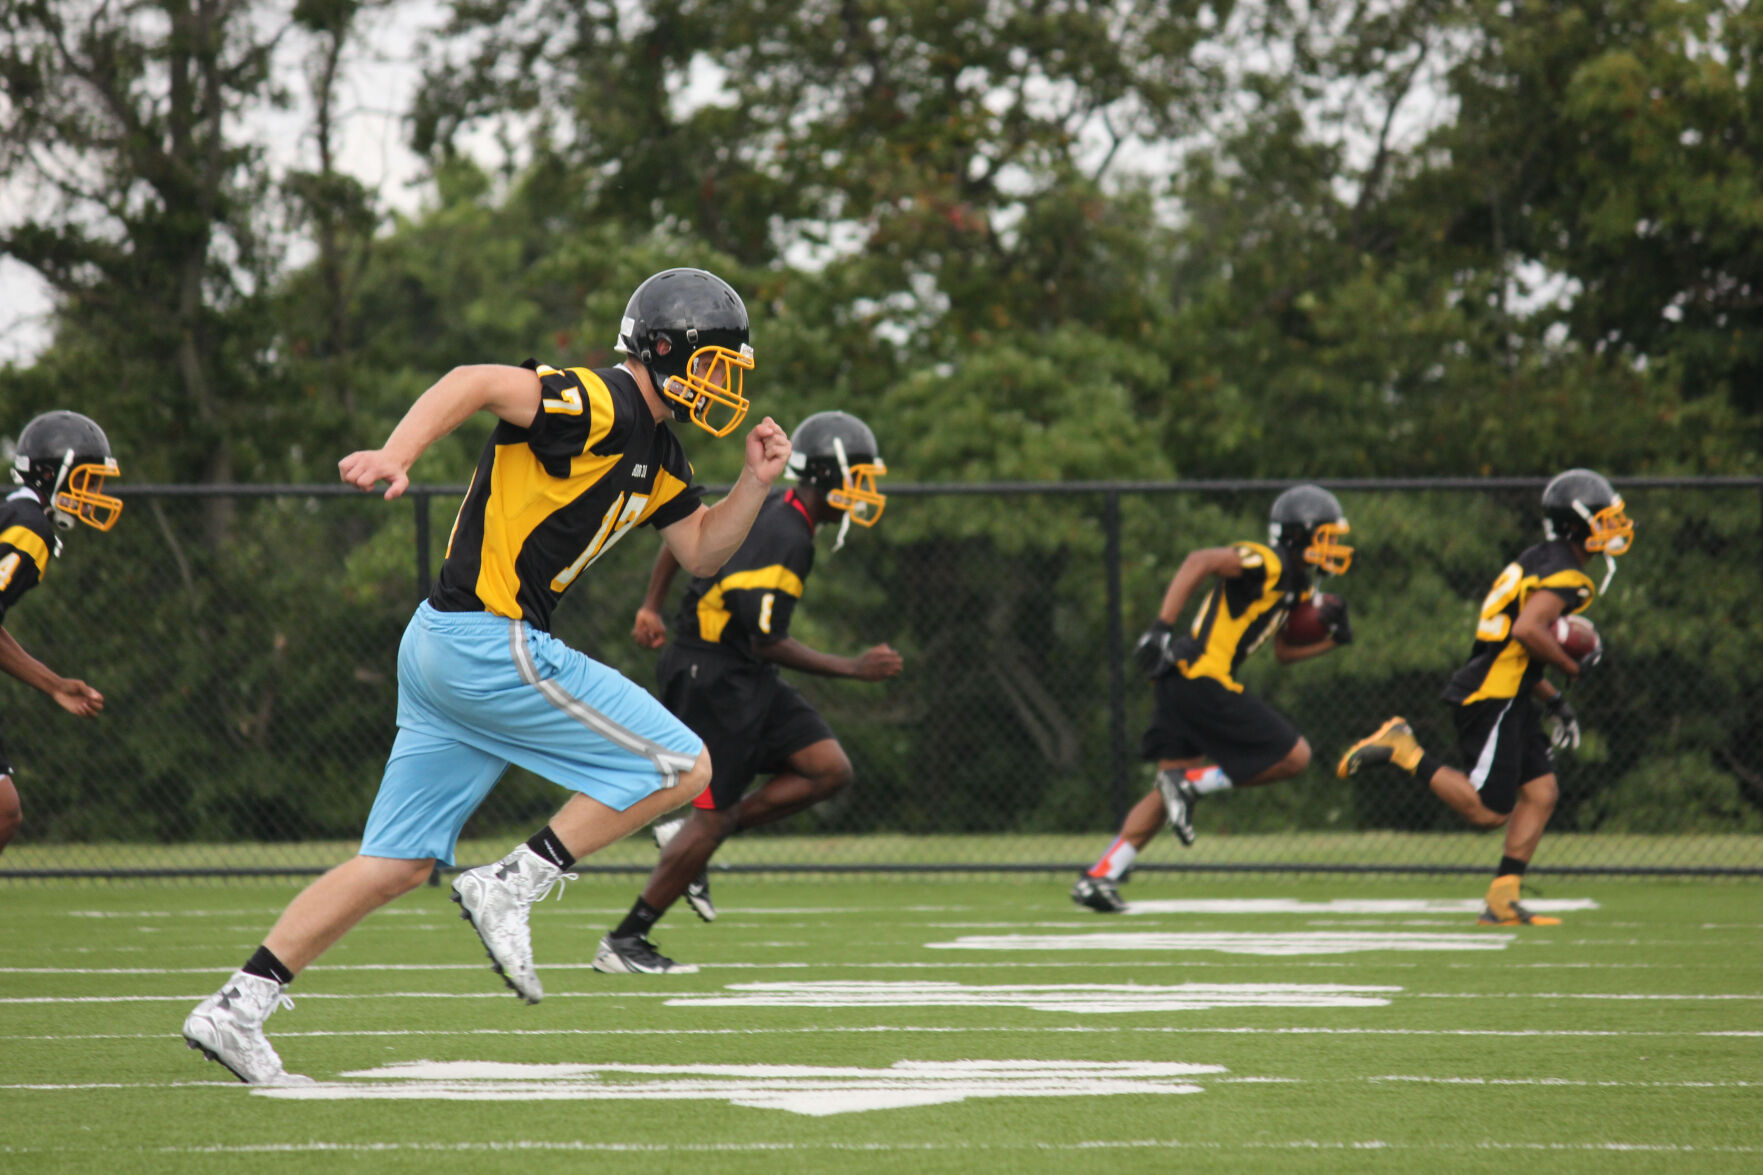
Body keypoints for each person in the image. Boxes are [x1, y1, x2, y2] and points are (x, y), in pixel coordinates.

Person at [183, 267, 790, 1085]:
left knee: (395, 862)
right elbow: (474, 380)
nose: (722, 384)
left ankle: (237, 1004)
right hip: (486, 639)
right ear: (661, 348)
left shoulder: (661, 451)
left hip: (442, 644)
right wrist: (397, 452)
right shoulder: (604, 399)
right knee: (684, 764)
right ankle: (513, 879)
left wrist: (755, 483)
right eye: (713, 363)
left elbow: (702, 549)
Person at [595, 410, 903, 973]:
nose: (864, 490)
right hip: (714, 673)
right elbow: (768, 641)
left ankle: (700, 832)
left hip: (741, 669)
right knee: (710, 820)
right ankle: (625, 941)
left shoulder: (782, 513)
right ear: (828, 476)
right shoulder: (787, 535)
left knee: (828, 769)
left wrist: (652, 604)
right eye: (858, 477)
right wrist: (853, 668)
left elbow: (689, 536)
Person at [1337, 468, 1629, 926]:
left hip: (1508, 687)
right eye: (1603, 519)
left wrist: (1554, 699)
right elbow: (1527, 630)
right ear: (1577, 525)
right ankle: (1403, 750)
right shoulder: (1569, 576)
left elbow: (1514, 648)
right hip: (1495, 694)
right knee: (1489, 811)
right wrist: (1572, 668)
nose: (1613, 527)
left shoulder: (1539, 558)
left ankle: (1502, 899)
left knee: (1541, 791)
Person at [1071, 485, 1354, 914]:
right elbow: (1200, 560)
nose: (1332, 546)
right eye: (1325, 536)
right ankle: (1192, 784)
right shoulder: (1269, 560)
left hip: (1180, 680)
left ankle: (1101, 876)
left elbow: (1283, 653)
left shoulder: (1295, 584)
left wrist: (1333, 640)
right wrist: (1162, 626)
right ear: (1299, 534)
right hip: (1201, 676)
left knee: (1166, 790)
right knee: (1295, 757)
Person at [0, 411, 123, 855]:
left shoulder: (18, 515)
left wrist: (53, 684)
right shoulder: (28, 528)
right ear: (52, 475)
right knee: (4, 812)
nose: (94, 495)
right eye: (87, 481)